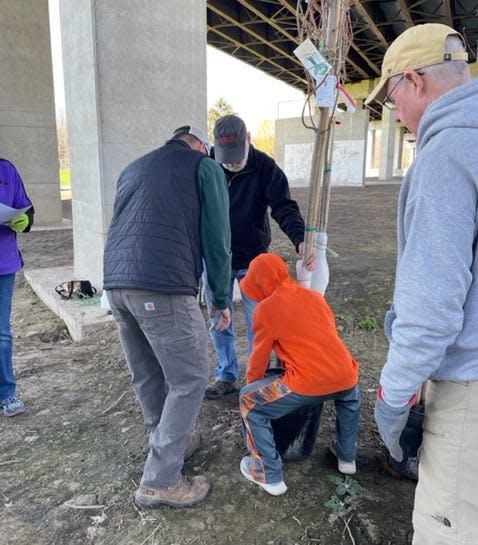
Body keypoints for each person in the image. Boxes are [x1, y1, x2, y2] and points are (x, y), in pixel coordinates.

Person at [365, 23, 478, 545]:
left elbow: (431, 310)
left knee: (447, 531)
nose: (398, 117)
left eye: (393, 100)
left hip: (468, 390)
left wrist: (392, 399)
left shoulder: (444, 157)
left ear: (415, 81)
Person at [103, 125, 232, 509]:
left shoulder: (134, 167)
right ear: (199, 146)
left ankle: (168, 442)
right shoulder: (204, 168)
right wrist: (220, 297)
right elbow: (217, 238)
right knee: (190, 377)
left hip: (116, 283)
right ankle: (160, 480)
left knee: (147, 372)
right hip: (162, 285)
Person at [204, 114, 315, 399]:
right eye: (226, 159)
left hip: (253, 259)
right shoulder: (207, 165)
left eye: (236, 158)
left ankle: (258, 377)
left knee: (260, 322)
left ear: (249, 139)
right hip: (216, 260)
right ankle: (226, 374)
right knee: (219, 318)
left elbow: (283, 206)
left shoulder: (265, 167)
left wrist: (300, 238)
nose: (231, 164)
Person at [237, 252, 360, 495]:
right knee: (349, 400)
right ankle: (346, 458)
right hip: (346, 375)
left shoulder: (267, 309)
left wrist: (254, 386)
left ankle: (268, 474)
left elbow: (258, 359)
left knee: (248, 401)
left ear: (259, 283)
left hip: (307, 383)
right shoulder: (315, 297)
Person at [0, 158, 34, 417]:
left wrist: (24, 220)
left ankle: (7, 393)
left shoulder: (7, 169)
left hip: (4, 264)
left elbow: (26, 209)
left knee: (2, 335)